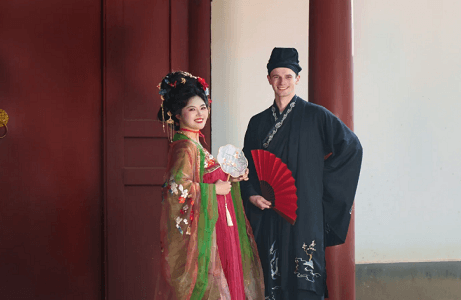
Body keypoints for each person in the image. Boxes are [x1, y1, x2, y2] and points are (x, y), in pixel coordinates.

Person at [240, 48, 363, 300]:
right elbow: (246, 167)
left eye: (288, 76)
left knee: (305, 276)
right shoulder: (257, 123)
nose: (282, 82)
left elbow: (351, 147)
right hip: (269, 212)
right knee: (270, 276)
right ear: (268, 79)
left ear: (297, 78)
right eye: (276, 76)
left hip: (304, 210)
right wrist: (251, 195)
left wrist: (317, 182)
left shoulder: (317, 116)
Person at [154, 71, 264, 300]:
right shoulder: (184, 147)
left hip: (217, 225)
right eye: (192, 109)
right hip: (208, 231)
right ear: (177, 113)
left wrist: (230, 180)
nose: (199, 114)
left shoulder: (196, 142)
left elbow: (205, 178)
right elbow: (176, 187)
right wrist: (213, 190)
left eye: (203, 107)